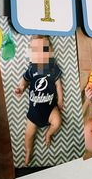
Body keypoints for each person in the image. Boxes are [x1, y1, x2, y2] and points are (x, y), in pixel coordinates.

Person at [14, 36, 63, 166]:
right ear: (31, 54)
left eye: (44, 50)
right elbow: (24, 81)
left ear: (50, 52)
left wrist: (60, 100)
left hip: (50, 108)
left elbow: (58, 85)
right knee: (28, 135)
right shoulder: (32, 69)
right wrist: (20, 88)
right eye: (36, 50)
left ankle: (49, 134)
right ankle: (28, 151)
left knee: (57, 122)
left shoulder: (53, 68)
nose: (41, 54)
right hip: (34, 112)